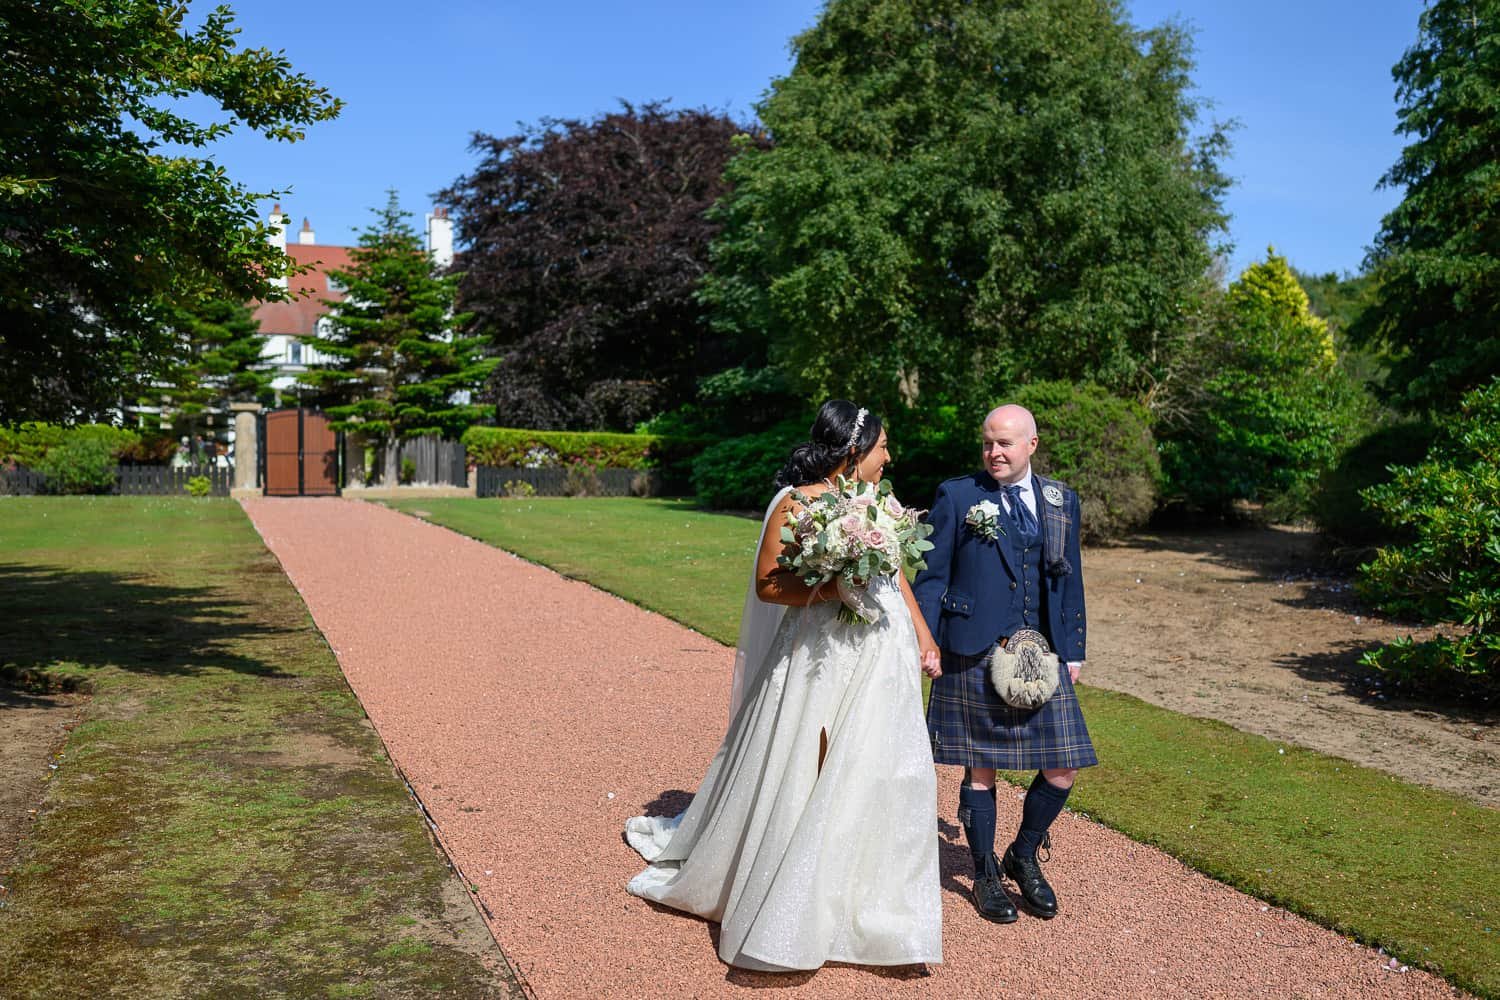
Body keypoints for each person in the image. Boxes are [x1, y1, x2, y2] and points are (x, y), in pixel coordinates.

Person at [624, 399, 944, 972]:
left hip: (884, 654)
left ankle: (874, 897)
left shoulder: (884, 502)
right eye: (882, 447)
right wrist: (834, 589)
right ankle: (788, 891)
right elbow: (771, 586)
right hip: (819, 655)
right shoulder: (796, 504)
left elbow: (896, 577)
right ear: (853, 452)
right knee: (808, 760)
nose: (889, 456)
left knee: (884, 764)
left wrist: (923, 636)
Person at [913, 404, 1095, 924]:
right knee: (981, 767)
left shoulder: (1061, 500)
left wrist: (1074, 647)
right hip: (972, 645)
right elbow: (932, 576)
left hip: (1040, 653)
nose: (994, 452)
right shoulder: (959, 495)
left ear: (1031, 445)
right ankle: (985, 872)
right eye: (988, 443)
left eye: (1006, 444)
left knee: (1063, 765)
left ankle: (1022, 853)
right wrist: (926, 640)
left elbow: (1069, 578)